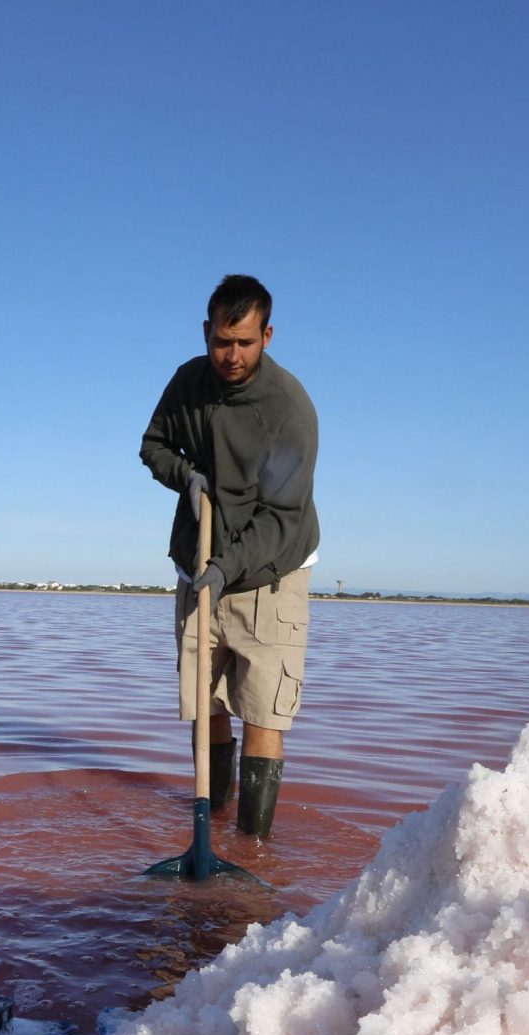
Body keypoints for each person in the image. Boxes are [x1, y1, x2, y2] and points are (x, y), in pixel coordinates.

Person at [138, 273, 319, 839]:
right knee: (207, 704)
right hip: (198, 566)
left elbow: (280, 518)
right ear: (206, 332)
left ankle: (253, 846)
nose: (232, 355)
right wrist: (185, 475)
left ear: (267, 335)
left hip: (271, 574)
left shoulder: (289, 409)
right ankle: (212, 831)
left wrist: (227, 567)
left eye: (244, 342)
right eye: (221, 341)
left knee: (263, 711)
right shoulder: (188, 382)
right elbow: (153, 445)